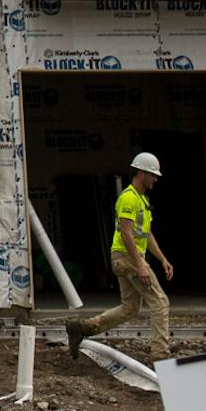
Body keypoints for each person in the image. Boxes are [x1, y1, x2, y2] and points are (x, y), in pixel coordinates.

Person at [67, 152, 174, 363]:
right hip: (128, 258)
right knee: (160, 302)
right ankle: (161, 356)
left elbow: (146, 234)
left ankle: (82, 328)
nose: (155, 179)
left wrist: (162, 259)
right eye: (153, 175)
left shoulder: (142, 200)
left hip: (126, 259)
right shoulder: (128, 198)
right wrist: (140, 266)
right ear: (141, 173)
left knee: (130, 308)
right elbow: (126, 234)